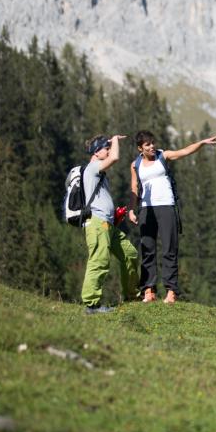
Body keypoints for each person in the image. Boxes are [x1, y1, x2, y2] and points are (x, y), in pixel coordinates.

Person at [128, 130, 216, 304]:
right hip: (146, 209)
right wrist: (132, 210)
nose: (152, 146)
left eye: (153, 142)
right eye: (148, 144)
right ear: (140, 148)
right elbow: (134, 188)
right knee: (148, 250)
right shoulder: (135, 164)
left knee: (169, 248)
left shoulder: (163, 155)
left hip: (166, 206)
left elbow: (185, 151)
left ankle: (171, 291)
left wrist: (202, 143)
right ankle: (148, 290)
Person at [81, 134, 140, 314]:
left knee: (130, 253)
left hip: (108, 223)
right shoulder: (92, 168)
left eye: (108, 147)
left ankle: (132, 296)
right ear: (97, 152)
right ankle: (91, 305)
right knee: (99, 260)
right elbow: (115, 157)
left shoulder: (100, 174)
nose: (108, 151)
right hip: (97, 223)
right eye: (105, 148)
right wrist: (114, 140)